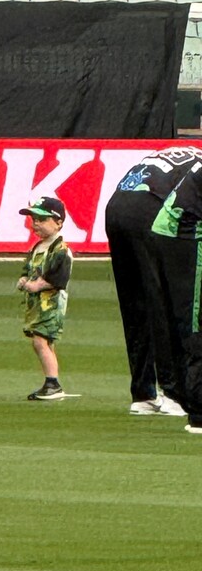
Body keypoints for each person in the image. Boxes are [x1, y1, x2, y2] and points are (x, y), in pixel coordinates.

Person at [105, 147, 199, 416]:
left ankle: (143, 394)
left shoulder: (185, 154)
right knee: (166, 303)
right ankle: (173, 394)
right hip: (151, 209)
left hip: (116, 207)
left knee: (134, 304)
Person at [151, 146, 202, 433]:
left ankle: (181, 395)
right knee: (194, 321)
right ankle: (198, 411)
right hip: (184, 234)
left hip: (175, 233)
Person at [16, 196, 73, 401]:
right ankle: (51, 380)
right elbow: (28, 268)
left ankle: (52, 383)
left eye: (42, 219)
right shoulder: (38, 247)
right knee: (45, 342)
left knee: (40, 341)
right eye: (34, 220)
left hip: (51, 304)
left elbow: (58, 279)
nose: (36, 224)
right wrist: (24, 279)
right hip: (37, 305)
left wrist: (36, 285)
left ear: (58, 222)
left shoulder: (61, 250)